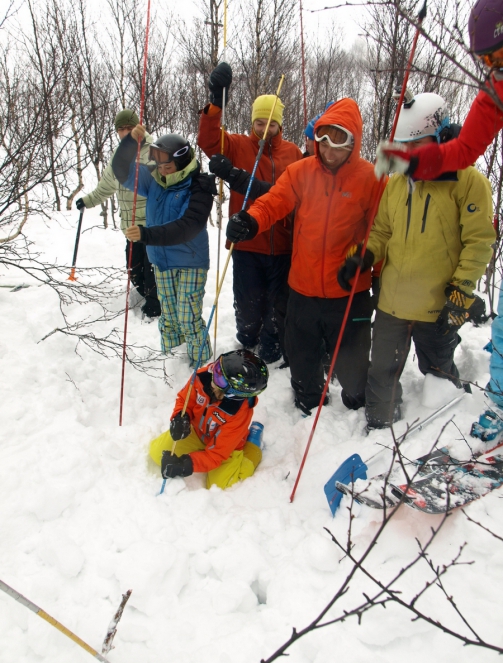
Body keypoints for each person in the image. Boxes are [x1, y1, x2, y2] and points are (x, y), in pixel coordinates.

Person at [340, 92, 495, 429]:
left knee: (438, 372)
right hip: (393, 304)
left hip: (438, 305)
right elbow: (380, 230)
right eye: (405, 146)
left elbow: (479, 242)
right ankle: (381, 429)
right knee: (382, 371)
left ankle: (445, 432)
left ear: (441, 138)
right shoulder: (397, 185)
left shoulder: (467, 182)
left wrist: (461, 293)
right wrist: (362, 256)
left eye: (418, 145)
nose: (411, 155)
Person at [225, 98, 382, 415]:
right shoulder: (300, 172)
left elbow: (383, 229)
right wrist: (251, 220)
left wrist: (367, 259)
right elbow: (273, 202)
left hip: (348, 292)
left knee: (351, 365)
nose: (328, 151)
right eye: (323, 141)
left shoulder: (371, 178)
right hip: (302, 289)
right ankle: (309, 402)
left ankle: (356, 402)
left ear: (354, 141)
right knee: (303, 357)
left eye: (339, 143)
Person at [198, 62, 303, 364]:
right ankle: (247, 338)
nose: (264, 129)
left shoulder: (293, 154)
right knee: (248, 302)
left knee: (276, 304)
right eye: (259, 123)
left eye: (270, 124)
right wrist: (217, 103)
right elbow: (209, 141)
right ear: (252, 123)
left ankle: (272, 344)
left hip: (282, 245)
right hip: (246, 242)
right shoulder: (238, 145)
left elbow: (288, 195)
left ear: (280, 125)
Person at [112, 126, 215, 367]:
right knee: (169, 318)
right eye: (159, 167)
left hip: (191, 261)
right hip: (161, 261)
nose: (163, 172)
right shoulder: (155, 180)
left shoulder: (199, 186)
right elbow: (120, 169)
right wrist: (130, 142)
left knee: (188, 318)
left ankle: (200, 366)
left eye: (168, 167)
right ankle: (171, 364)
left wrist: (147, 234)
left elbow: (188, 226)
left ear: (182, 162)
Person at [374, 0, 503, 181]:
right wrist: (413, 162)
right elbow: (464, 149)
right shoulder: (496, 89)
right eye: (488, 61)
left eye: (500, 56)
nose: (496, 67)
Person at [76, 109, 161, 319]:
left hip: (152, 225)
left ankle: (155, 309)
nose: (124, 133)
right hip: (130, 227)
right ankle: (147, 296)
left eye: (128, 128)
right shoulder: (118, 155)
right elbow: (106, 187)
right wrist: (87, 201)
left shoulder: (154, 150)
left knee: (152, 272)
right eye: (120, 130)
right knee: (135, 271)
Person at [149, 350, 268, 489]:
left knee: (223, 484)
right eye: (217, 367)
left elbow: (216, 455)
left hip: (225, 448)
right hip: (197, 432)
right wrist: (180, 417)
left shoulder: (238, 413)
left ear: (234, 393)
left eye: (220, 378)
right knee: (157, 452)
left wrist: (185, 464)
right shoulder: (203, 376)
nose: (213, 374)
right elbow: (184, 399)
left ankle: (253, 445)